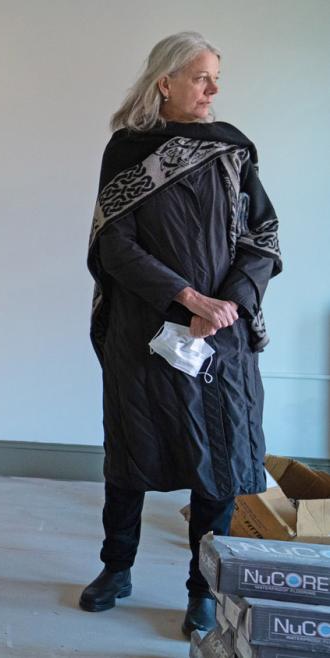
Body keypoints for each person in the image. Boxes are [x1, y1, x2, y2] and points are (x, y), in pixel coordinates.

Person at [82, 32, 281, 636]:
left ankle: (202, 588)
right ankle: (116, 568)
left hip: (221, 334)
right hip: (145, 329)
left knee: (216, 462)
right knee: (131, 451)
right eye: (202, 77)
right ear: (165, 81)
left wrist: (226, 305)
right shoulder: (127, 150)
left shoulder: (234, 150)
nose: (214, 89)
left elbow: (263, 238)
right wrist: (185, 297)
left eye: (216, 77)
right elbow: (114, 244)